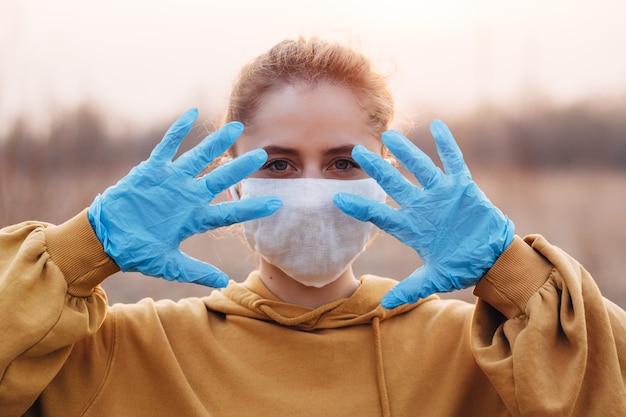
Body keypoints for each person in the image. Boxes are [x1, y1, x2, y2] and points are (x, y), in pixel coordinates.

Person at [1, 37, 625, 417]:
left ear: (384, 174)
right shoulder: (124, 352)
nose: (308, 191)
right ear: (233, 177)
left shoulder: (479, 356)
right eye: (277, 163)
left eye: (343, 162)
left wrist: (510, 269)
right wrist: (84, 246)